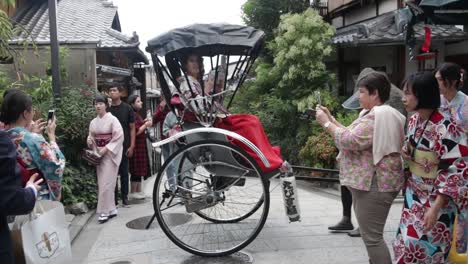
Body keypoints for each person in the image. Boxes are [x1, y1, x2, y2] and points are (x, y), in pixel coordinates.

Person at [316, 71, 406, 264]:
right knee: (370, 236)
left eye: (362, 91)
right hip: (373, 183)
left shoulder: (377, 116)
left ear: (375, 94)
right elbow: (350, 133)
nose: (359, 96)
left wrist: (325, 124)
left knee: (372, 238)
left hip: (376, 184)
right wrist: (331, 120)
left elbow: (350, 140)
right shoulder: (375, 114)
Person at [393, 71, 468, 263]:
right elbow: (412, 147)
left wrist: (435, 208)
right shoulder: (414, 120)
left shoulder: (446, 127)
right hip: (414, 195)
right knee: (405, 246)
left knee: (428, 249)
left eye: (408, 93)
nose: (404, 98)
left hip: (438, 199)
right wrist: (406, 152)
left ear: (423, 94)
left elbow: (456, 169)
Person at [1, 90, 65, 201]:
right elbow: (55, 165)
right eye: (32, 110)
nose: (33, 112)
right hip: (35, 195)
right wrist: (51, 136)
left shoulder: (3, 138)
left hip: (10, 196)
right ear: (25, 114)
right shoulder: (33, 139)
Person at [0, 130, 42, 264]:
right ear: (26, 113)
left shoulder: (12, 135)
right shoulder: (31, 138)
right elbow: (54, 164)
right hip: (29, 193)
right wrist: (32, 190)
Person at [87, 95, 124, 223]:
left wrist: (106, 148)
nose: (98, 106)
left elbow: (118, 137)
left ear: (106, 105)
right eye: (96, 104)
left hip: (109, 154)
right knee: (104, 183)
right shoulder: (93, 122)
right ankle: (112, 209)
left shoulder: (113, 120)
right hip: (99, 154)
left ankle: (104, 211)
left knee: (106, 183)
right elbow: (91, 137)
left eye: (100, 103)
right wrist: (90, 141)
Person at [108, 86, 135, 206]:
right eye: (110, 91)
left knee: (124, 172)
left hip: (124, 145)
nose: (112, 92)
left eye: (114, 90)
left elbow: (132, 128)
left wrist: (132, 146)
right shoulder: (107, 110)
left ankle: (125, 197)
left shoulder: (127, 108)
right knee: (112, 173)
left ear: (120, 93)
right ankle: (113, 198)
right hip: (111, 146)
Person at [127, 94, 152, 200]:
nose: (141, 103)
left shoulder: (136, 114)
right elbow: (136, 131)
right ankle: (133, 191)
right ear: (132, 104)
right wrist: (145, 125)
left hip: (140, 144)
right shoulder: (132, 114)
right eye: (138, 101)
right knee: (135, 168)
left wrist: (144, 122)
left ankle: (138, 191)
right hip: (136, 144)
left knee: (139, 167)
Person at [436, 62, 468, 133]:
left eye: (440, 79)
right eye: (435, 79)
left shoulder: (466, 102)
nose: (436, 83)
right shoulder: (436, 101)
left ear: (453, 81)